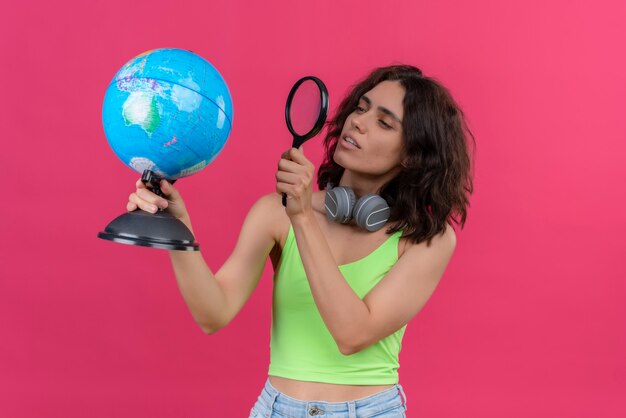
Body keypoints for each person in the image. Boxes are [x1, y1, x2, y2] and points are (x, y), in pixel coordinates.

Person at [127, 64, 475, 417]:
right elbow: (212, 314)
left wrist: (304, 217)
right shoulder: (273, 213)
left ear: (412, 155)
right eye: (361, 107)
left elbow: (352, 334)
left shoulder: (427, 239)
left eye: (384, 123)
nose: (358, 121)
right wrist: (178, 229)